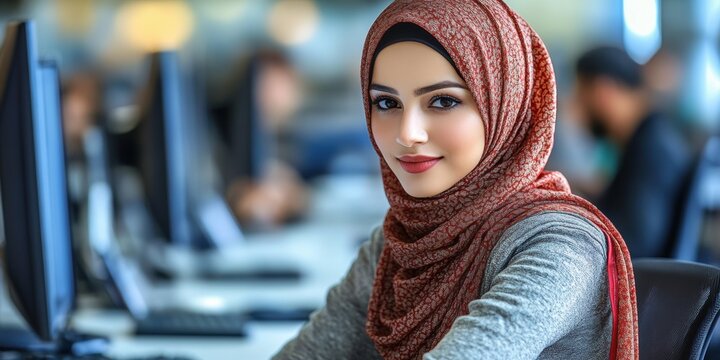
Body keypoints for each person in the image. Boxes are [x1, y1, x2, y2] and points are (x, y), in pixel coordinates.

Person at [273, 1, 638, 359]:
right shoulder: (402, 241)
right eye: (386, 103)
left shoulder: (561, 244)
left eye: (443, 101)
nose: (407, 134)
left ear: (505, 105)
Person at [574, 46, 693, 258]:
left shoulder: (651, 149)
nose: (578, 109)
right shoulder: (645, 137)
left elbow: (633, 241)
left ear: (604, 90)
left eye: (581, 96)